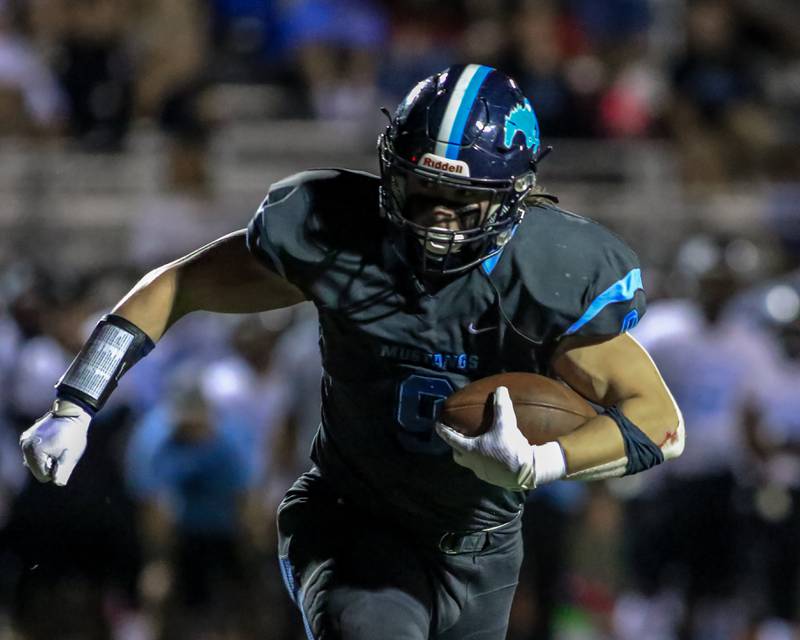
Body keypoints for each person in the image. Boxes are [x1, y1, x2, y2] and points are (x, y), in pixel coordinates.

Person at [19, 64, 684, 640]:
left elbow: (659, 423)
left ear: (513, 199)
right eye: (422, 193)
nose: (435, 220)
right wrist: (76, 401)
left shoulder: (553, 271)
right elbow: (178, 284)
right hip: (354, 525)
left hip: (483, 551)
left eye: (462, 203)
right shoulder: (335, 232)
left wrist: (543, 461)